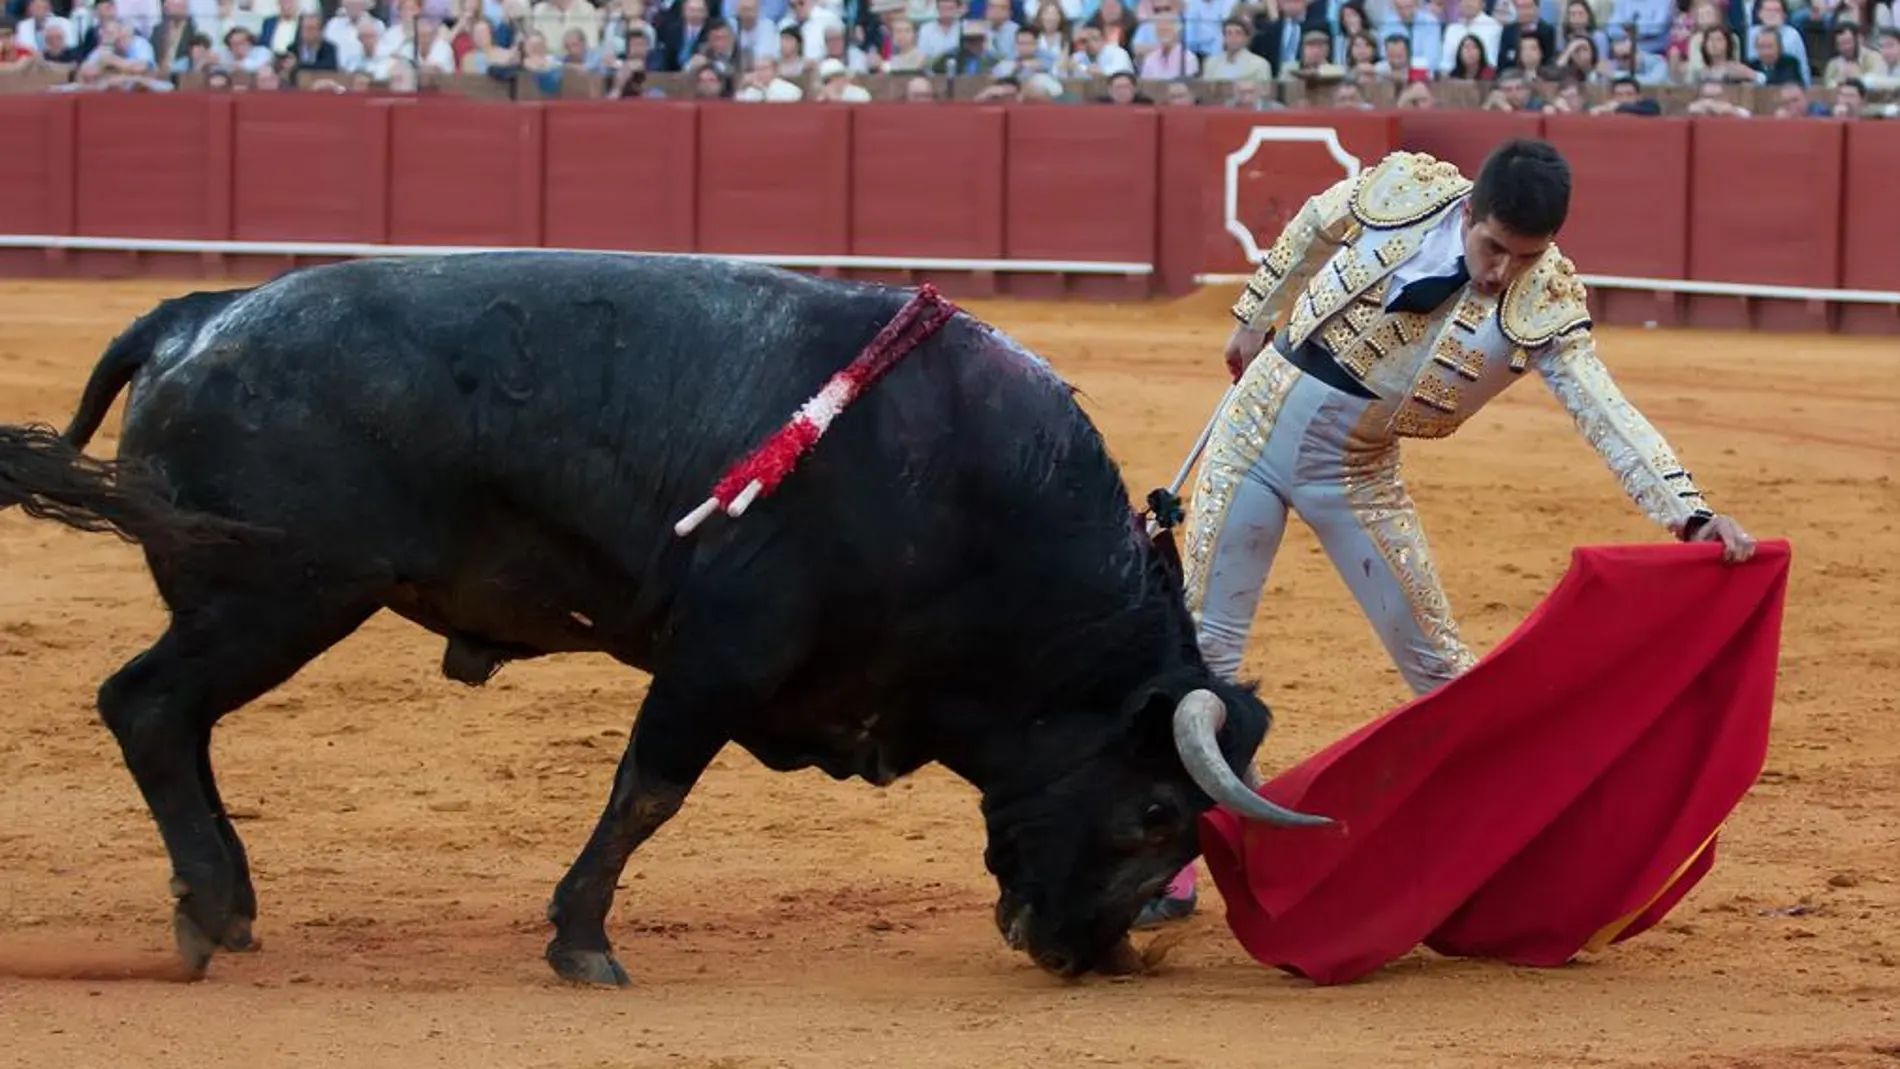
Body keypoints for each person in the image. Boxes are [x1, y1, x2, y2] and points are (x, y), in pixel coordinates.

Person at [1133, 139, 1757, 928]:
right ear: (1468, 212)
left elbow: (1605, 411)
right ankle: (1173, 858)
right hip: (1249, 430)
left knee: (1441, 669)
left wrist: (1689, 511)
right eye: (1493, 246)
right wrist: (1253, 319)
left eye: (1523, 257)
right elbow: (1316, 223)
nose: (1501, 272)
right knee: (1205, 658)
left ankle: (1511, 846)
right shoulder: (1408, 188)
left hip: (1355, 470)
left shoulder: (1546, 299)